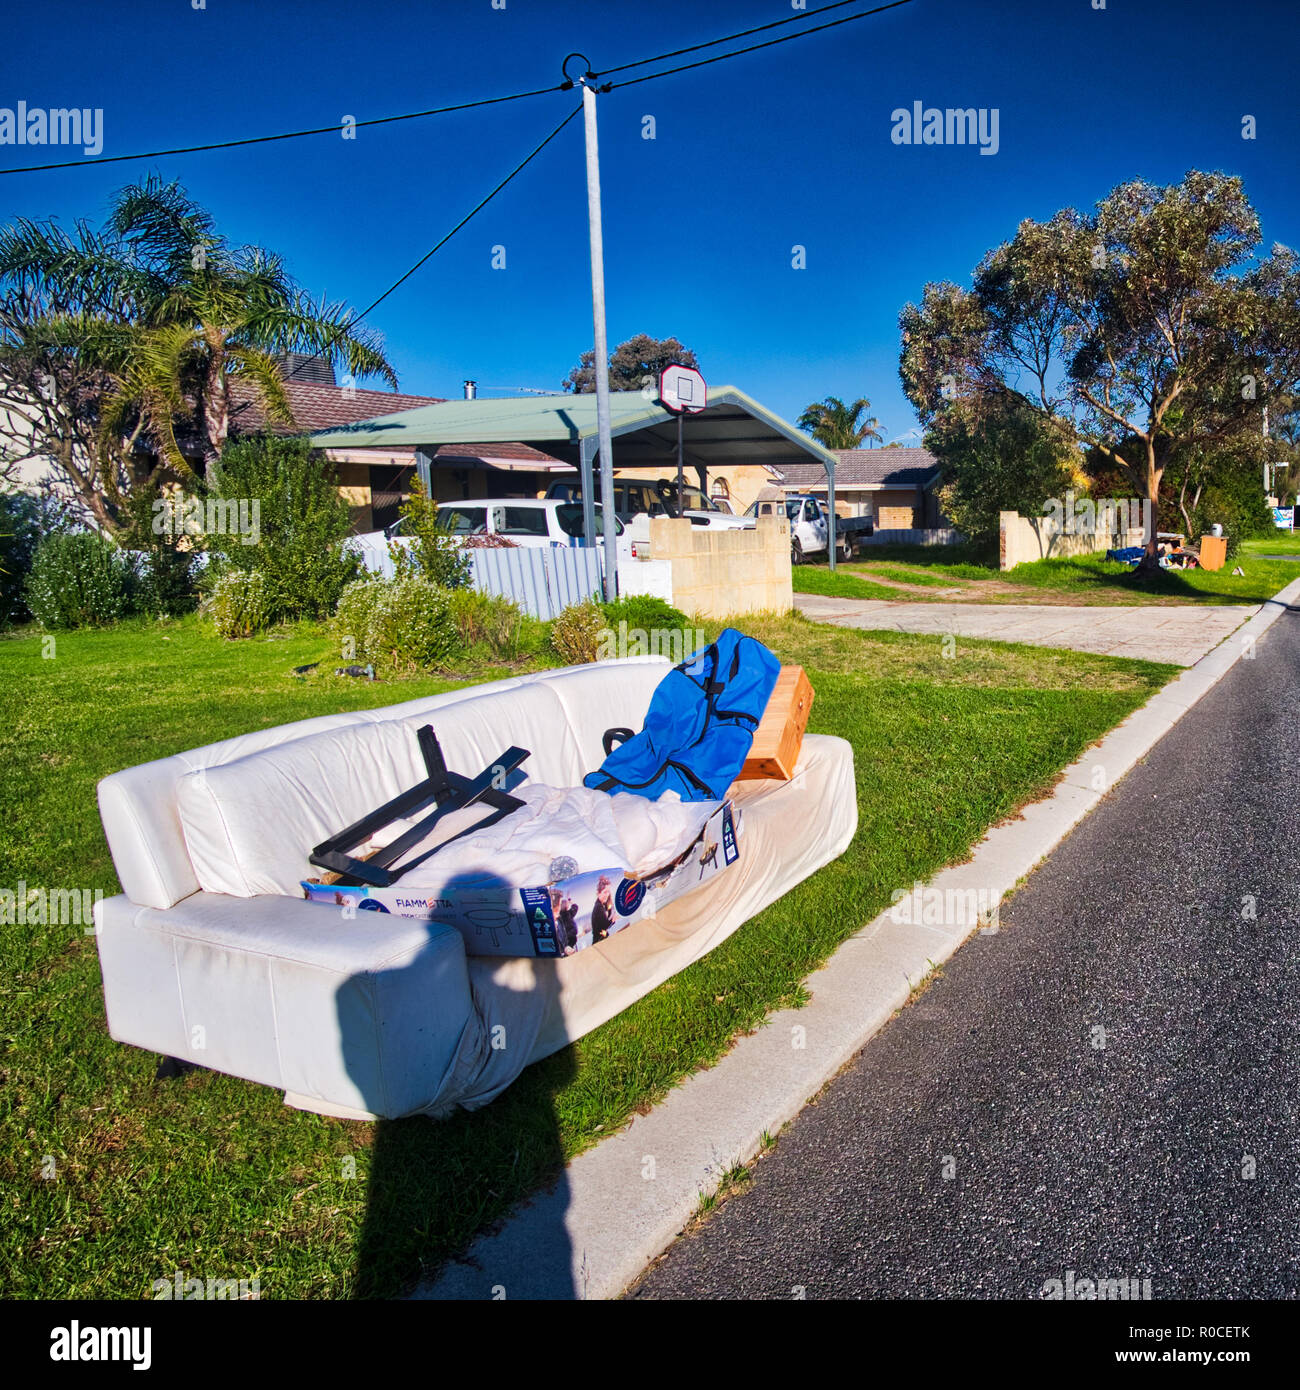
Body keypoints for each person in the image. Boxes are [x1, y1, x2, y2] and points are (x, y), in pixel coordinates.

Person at [590, 876, 616, 944]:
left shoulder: (601, 905)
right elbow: (605, 926)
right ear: (598, 893)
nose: (607, 895)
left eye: (608, 892)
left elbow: (605, 922)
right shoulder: (599, 907)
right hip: (599, 941)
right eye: (605, 892)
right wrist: (613, 920)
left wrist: (610, 910)